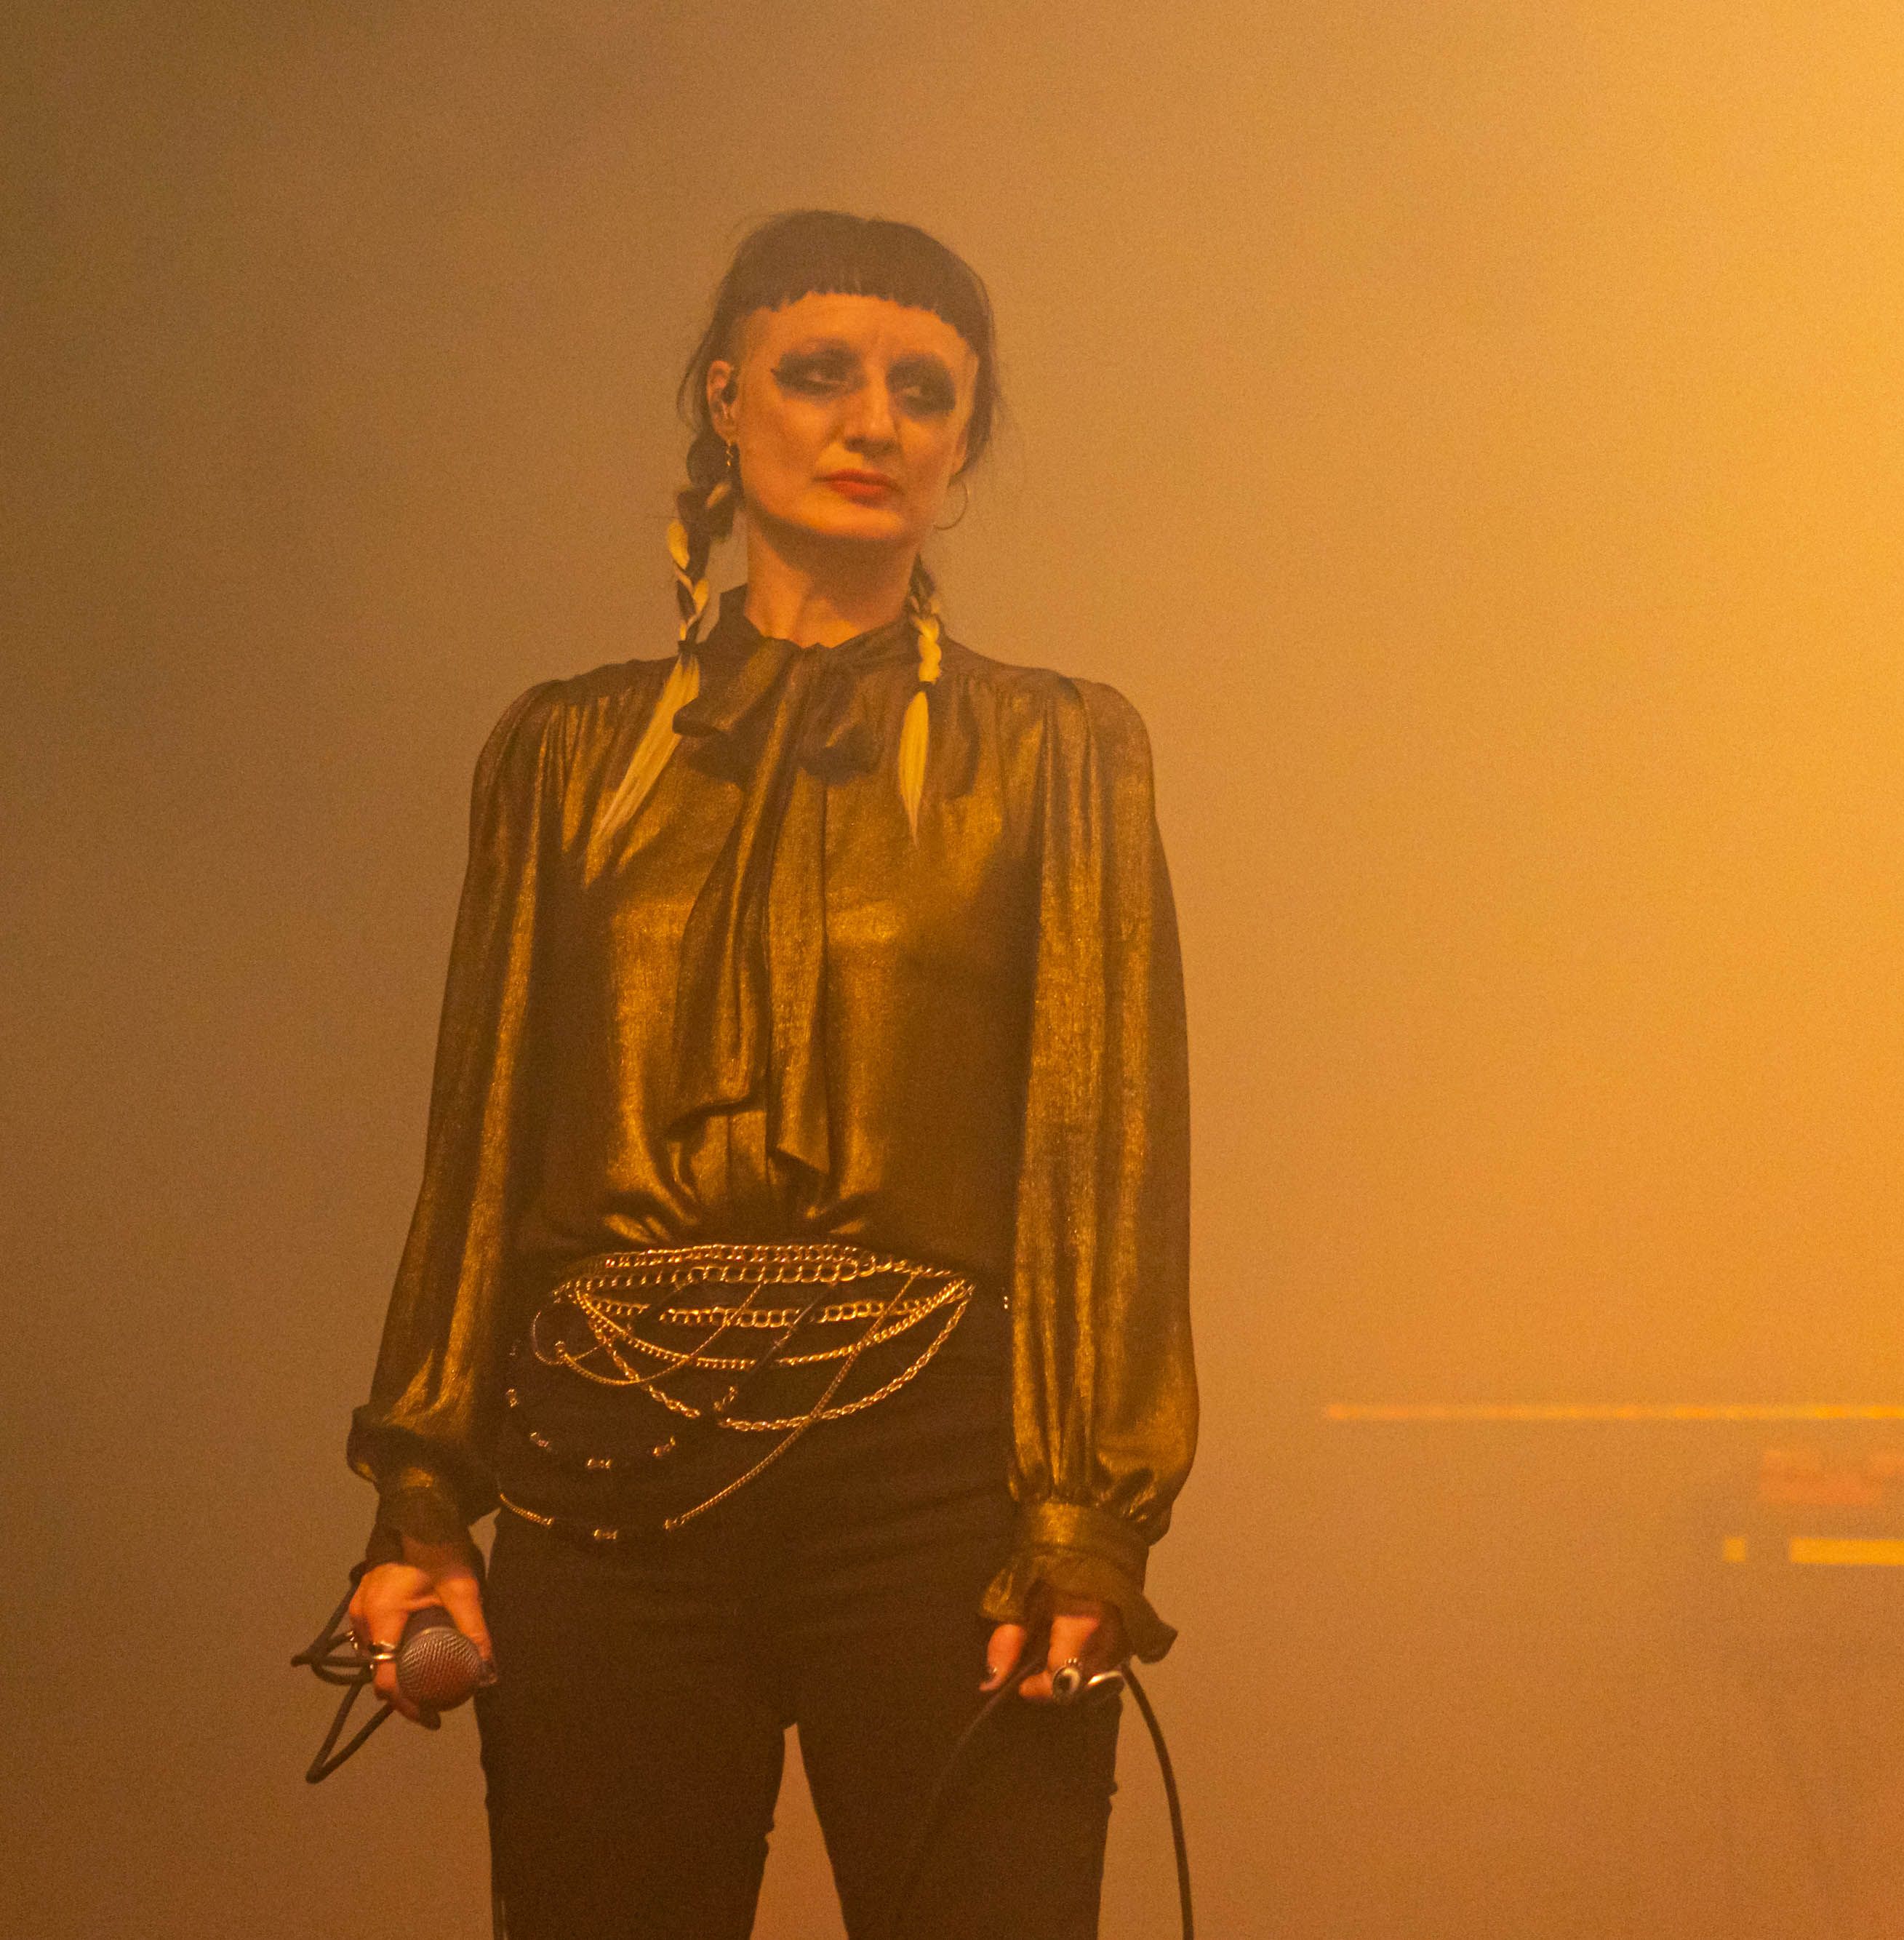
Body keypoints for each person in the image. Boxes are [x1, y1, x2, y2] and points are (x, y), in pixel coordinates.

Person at [339, 209, 1196, 1940]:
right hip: (605, 1461)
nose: (873, 420)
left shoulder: (1057, 749)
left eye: (924, 391)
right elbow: (481, 1134)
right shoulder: (566, 750)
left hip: (936, 1473)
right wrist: (421, 1488)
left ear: (963, 445)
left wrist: (1090, 1518)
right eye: (820, 373)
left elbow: (1105, 1149)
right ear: (725, 401)